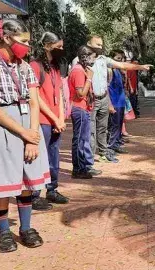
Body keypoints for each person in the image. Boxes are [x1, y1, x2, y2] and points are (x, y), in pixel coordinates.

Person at [0, 18, 51, 253]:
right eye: (23, 41)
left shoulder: (25, 67)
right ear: (6, 38)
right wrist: (23, 132)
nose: (26, 46)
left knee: (28, 178)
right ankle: (3, 229)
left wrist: (32, 135)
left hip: (27, 124)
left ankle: (26, 227)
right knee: (3, 181)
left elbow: (34, 103)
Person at [30, 32, 69, 208]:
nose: (61, 50)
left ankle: (52, 189)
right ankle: (34, 194)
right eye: (58, 47)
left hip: (54, 120)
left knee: (54, 156)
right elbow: (36, 96)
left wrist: (60, 118)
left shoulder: (55, 67)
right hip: (41, 120)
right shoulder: (35, 66)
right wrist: (53, 118)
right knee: (39, 158)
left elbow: (59, 94)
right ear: (47, 46)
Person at [68, 45, 103, 178]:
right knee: (80, 140)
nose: (94, 60)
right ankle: (78, 169)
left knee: (84, 139)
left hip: (84, 109)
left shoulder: (82, 69)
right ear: (85, 57)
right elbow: (81, 93)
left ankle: (83, 167)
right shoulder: (78, 71)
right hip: (79, 108)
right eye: (93, 57)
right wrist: (89, 78)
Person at [107, 50, 128, 154]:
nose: (120, 61)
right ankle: (110, 147)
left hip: (120, 101)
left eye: (121, 59)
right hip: (114, 101)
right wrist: (109, 103)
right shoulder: (109, 71)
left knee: (119, 124)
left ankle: (117, 143)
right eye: (118, 59)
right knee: (113, 125)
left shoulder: (118, 71)